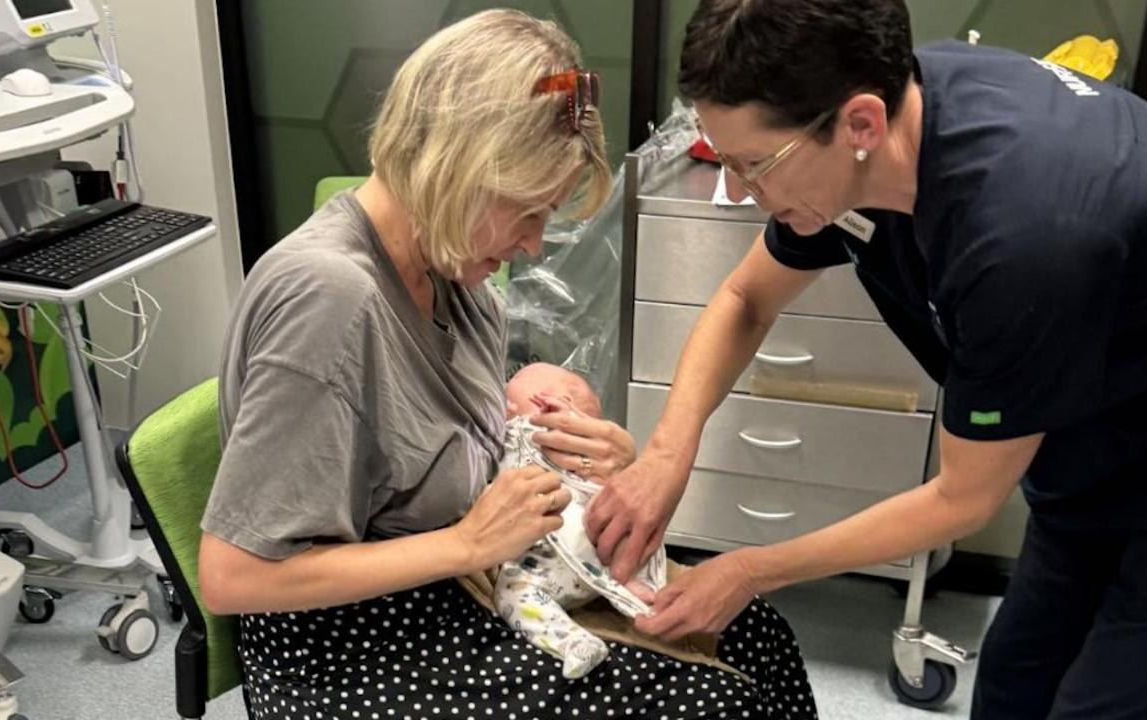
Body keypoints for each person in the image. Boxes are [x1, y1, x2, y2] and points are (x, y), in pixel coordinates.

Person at [591, 1, 1147, 718]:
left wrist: (752, 570)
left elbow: (963, 498)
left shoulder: (1022, 234)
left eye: (756, 166)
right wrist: (668, 452)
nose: (746, 193)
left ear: (859, 124)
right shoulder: (883, 127)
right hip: (1094, 434)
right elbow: (745, 300)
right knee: (1014, 686)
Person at [196, 10, 816, 719]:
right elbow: (232, 575)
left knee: (754, 631)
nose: (532, 246)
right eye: (526, 212)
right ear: (454, 164)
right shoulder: (330, 299)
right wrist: (466, 543)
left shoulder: (456, 284)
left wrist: (585, 458)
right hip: (349, 647)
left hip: (460, 580)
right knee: (707, 704)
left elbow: (437, 450)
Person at [496, 362, 665, 680]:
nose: (508, 384)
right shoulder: (502, 434)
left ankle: (632, 585)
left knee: (625, 522)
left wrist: (558, 417)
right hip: (539, 568)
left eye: (518, 379)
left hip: (588, 545)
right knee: (513, 591)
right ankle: (574, 642)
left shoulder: (555, 435)